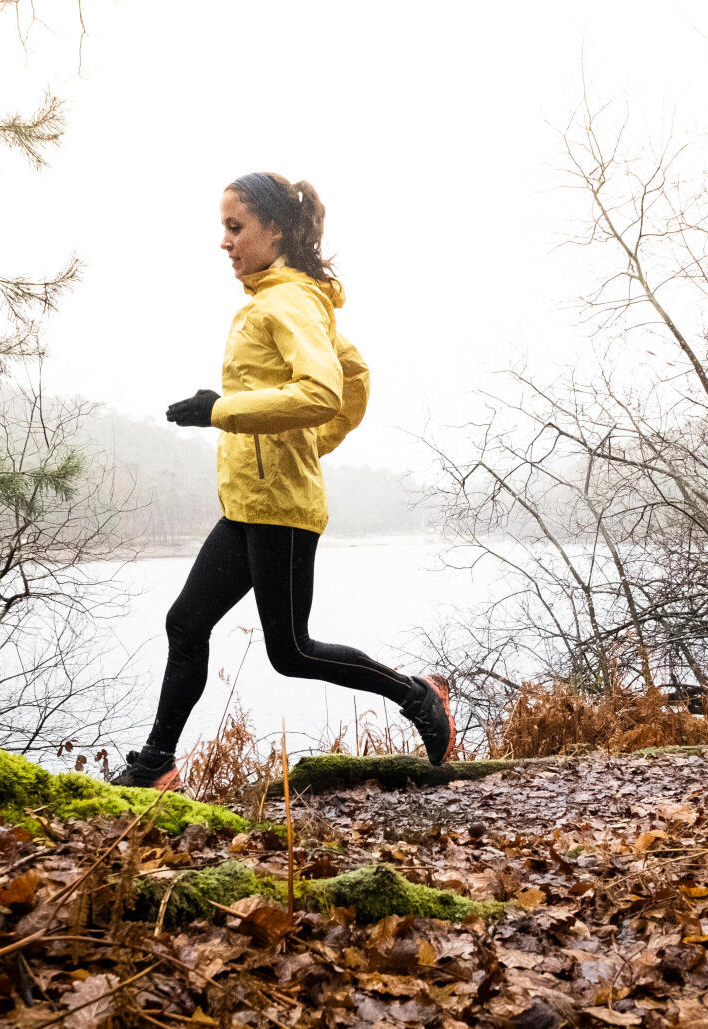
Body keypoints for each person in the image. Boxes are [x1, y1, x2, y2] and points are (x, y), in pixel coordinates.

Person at [114, 172, 455, 791]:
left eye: (235, 227)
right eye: (224, 227)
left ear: (275, 229)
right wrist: (306, 444)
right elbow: (355, 373)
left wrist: (224, 413)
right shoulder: (276, 299)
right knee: (185, 623)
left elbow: (325, 390)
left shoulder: (290, 300)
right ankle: (157, 761)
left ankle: (419, 695)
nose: (224, 241)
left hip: (281, 508)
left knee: (290, 652)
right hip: (247, 503)